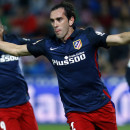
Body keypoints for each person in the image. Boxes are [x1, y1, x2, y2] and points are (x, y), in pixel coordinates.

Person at [0, 1, 130, 130]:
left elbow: (120, 39)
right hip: (76, 111)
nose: (55, 24)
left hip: (101, 106)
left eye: (59, 19)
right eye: (52, 21)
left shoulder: (87, 36)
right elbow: (16, 50)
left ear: (71, 20)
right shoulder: (48, 44)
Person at [0, 24, 38, 130]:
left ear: (2, 28)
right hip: (3, 108)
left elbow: (35, 44)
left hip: (23, 103)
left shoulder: (13, 40)